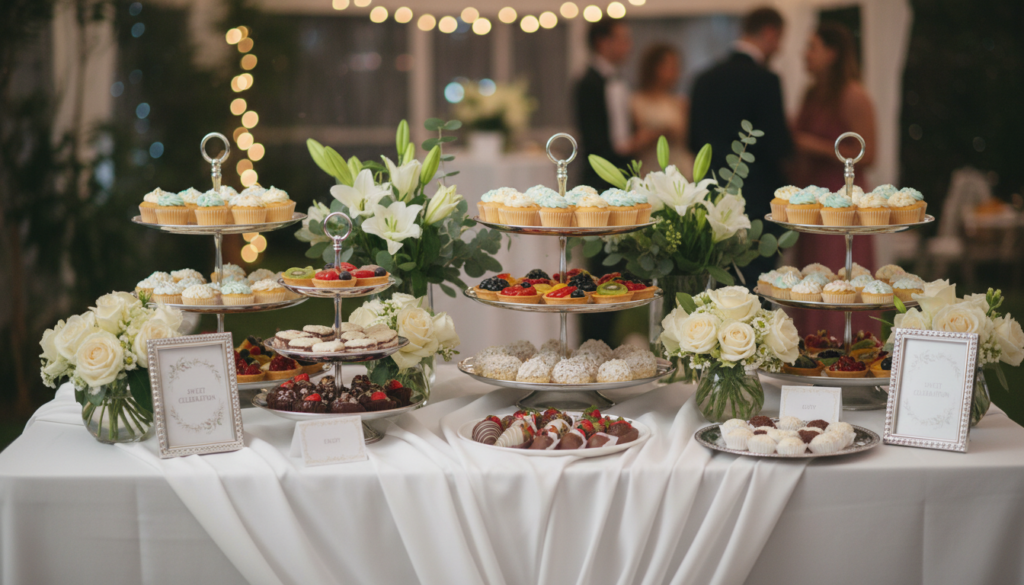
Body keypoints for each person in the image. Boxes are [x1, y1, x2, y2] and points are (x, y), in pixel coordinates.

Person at [689, 7, 793, 287]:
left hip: (712, 199)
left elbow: (694, 142)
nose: (779, 47)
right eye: (780, 38)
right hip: (757, 200)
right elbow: (777, 147)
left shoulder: (703, 79)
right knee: (757, 285)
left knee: (717, 282)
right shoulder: (766, 80)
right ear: (769, 32)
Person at [790, 21, 879, 336]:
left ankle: (848, 345)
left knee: (839, 273)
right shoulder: (812, 93)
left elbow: (868, 153)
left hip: (842, 199)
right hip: (812, 197)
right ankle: (810, 344)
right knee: (813, 274)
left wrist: (809, 143)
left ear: (833, 53)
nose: (805, 54)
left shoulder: (853, 95)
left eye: (812, 47)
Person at [575, 20, 655, 189]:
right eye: (624, 40)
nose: (629, 46)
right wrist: (632, 145)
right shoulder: (588, 83)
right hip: (602, 177)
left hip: (623, 172)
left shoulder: (619, 80)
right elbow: (594, 140)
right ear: (602, 42)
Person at [631, 44, 694, 178]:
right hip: (650, 167)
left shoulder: (679, 102)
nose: (675, 72)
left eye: (676, 67)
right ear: (654, 68)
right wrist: (660, 133)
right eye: (669, 67)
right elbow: (632, 142)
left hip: (680, 167)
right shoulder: (637, 101)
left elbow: (689, 137)